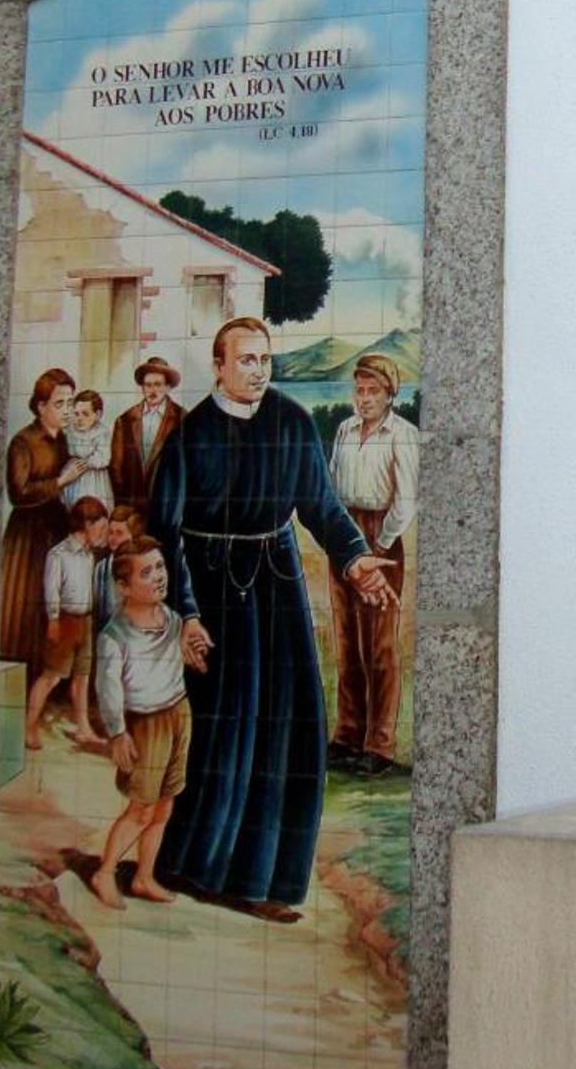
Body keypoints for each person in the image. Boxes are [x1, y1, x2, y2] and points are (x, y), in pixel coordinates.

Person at [148, 317, 396, 921]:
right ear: (219, 367)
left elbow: (321, 505)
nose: (260, 370)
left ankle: (266, 881)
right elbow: (164, 535)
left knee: (292, 724)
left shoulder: (291, 422)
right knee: (223, 731)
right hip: (212, 592)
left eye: (265, 359)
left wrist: (355, 559)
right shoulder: (189, 436)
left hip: (277, 584)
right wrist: (185, 614)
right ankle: (194, 867)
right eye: (247, 360)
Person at [90, 538, 196, 910]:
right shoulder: (114, 636)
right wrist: (118, 733)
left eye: (161, 567)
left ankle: (143, 876)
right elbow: (107, 689)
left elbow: (178, 658)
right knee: (141, 809)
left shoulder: (172, 619)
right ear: (123, 587)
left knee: (165, 806)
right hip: (145, 724)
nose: (159, 577)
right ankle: (105, 872)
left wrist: (192, 654)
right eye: (147, 572)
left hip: (177, 713)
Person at [326, 353, 418, 778]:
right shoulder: (345, 430)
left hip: (380, 536)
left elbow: (406, 500)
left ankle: (379, 743)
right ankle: (347, 734)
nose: (364, 399)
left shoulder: (402, 434)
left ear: (389, 395)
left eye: (372, 391)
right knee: (346, 638)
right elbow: (332, 482)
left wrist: (377, 546)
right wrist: (341, 539)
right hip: (345, 533)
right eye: (359, 391)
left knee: (379, 642)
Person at [0, 368, 87, 676]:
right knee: (30, 608)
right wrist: (61, 481)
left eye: (70, 403)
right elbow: (18, 492)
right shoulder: (23, 442)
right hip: (29, 537)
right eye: (60, 404)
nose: (67, 410)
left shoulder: (63, 439)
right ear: (41, 406)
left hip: (55, 528)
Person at [27, 496, 111, 749]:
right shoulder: (59, 554)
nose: (103, 533)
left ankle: (84, 729)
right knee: (51, 677)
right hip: (65, 621)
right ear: (87, 524)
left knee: (82, 678)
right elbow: (51, 590)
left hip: (86, 621)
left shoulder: (89, 555)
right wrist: (53, 620)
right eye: (100, 527)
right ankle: (29, 726)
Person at [110, 356, 183, 512]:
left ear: (168, 387)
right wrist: (123, 508)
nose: (152, 390)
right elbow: (116, 470)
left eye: (158, 384)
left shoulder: (182, 419)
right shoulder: (125, 421)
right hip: (132, 510)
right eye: (148, 385)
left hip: (167, 509)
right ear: (142, 387)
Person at [62, 388, 112, 509]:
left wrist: (88, 462)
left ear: (98, 414)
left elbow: (104, 457)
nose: (79, 418)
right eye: (76, 414)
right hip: (72, 474)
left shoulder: (101, 432)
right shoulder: (70, 430)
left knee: (92, 506)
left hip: (93, 477)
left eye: (85, 414)